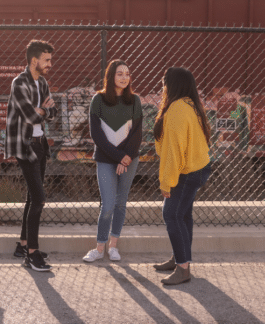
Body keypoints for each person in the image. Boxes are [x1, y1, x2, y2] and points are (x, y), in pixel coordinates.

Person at [153, 67, 212, 285]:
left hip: (186, 172)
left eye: (164, 82)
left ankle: (183, 269)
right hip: (197, 168)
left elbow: (173, 150)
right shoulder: (190, 105)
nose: (162, 86)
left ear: (172, 85)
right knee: (183, 215)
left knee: (171, 215)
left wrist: (166, 182)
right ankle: (180, 259)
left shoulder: (178, 108)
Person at [83, 59, 142, 263]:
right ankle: (99, 248)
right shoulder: (98, 100)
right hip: (107, 160)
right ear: (111, 76)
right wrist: (119, 157)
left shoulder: (134, 100)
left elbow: (136, 134)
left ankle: (113, 247)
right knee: (107, 205)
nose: (124, 77)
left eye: (127, 73)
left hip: (129, 159)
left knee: (120, 204)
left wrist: (125, 159)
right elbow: (97, 135)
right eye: (120, 73)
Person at [5, 40, 57, 272]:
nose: (50, 64)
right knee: (39, 198)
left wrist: (43, 111)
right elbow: (29, 116)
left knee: (31, 197)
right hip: (25, 146)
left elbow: (53, 112)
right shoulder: (19, 83)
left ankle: (24, 245)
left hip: (40, 144)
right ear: (34, 60)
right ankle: (32, 256)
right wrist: (42, 110)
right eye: (47, 60)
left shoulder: (42, 82)